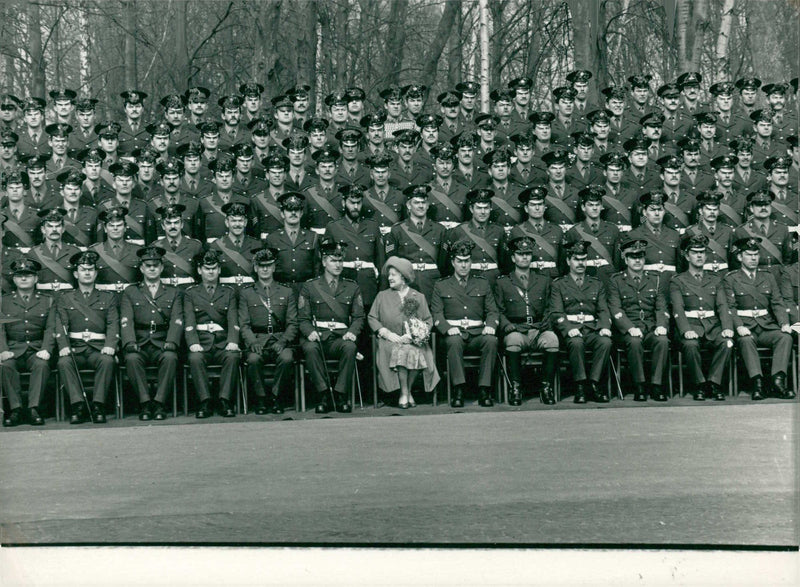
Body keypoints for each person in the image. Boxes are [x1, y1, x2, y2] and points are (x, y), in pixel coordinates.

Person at [298, 238, 365, 414]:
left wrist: (352, 332)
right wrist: (310, 332)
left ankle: (340, 394)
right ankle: (323, 395)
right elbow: (302, 319)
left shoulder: (352, 286)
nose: (338, 265)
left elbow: (358, 316)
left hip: (340, 338)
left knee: (350, 347)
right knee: (310, 348)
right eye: (333, 260)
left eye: (340, 260)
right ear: (323, 261)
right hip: (318, 337)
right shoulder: (310, 286)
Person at [430, 240, 499, 408]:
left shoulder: (482, 283)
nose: (463, 265)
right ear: (453, 262)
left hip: (477, 332)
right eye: (460, 261)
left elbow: (492, 311)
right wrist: (447, 329)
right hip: (455, 333)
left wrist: (491, 325)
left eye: (467, 261)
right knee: (453, 342)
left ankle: (484, 390)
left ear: (471, 262)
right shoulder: (441, 285)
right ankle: (458, 390)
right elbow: (436, 313)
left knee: (491, 341)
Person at [722, 237, 793, 400]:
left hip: (766, 326)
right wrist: (738, 326)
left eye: (756, 254)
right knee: (746, 340)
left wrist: (784, 323)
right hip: (746, 326)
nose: (753, 258)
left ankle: (778, 381)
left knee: (785, 337)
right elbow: (730, 307)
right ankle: (757, 382)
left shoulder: (768, 276)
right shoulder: (731, 278)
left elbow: (777, 302)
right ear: (740, 257)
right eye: (749, 255)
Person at [55, 251, 119, 424]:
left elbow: (113, 324)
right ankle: (78, 405)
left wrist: (110, 344)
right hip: (75, 347)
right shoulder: (65, 298)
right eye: (83, 270)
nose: (87, 273)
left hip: (98, 347)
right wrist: (63, 345)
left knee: (107, 360)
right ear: (76, 274)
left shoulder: (108, 297)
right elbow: (60, 325)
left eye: (91, 269)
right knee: (63, 362)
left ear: (96, 273)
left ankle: (98, 405)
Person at [120, 246, 183, 420]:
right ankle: (145, 404)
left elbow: (177, 320)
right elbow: (126, 320)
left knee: (170, 358)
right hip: (139, 342)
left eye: (156, 265)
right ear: (141, 268)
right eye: (148, 265)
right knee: (132, 359)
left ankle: (159, 403)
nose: (152, 268)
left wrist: (172, 341)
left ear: (162, 267)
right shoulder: (131, 292)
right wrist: (129, 342)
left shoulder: (174, 292)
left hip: (162, 342)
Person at [494, 236, 559, 405]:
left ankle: (546, 387)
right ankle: (516, 386)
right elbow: (498, 311)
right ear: (513, 257)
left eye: (528, 254)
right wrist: (508, 327)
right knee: (514, 340)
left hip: (539, 328)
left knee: (552, 339)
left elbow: (550, 307)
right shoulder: (503, 283)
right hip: (516, 329)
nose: (524, 257)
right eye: (520, 254)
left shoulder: (543, 280)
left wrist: (545, 324)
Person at [670, 234, 735, 401]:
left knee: (727, 342)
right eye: (694, 252)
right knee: (690, 345)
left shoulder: (715, 279)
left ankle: (714, 383)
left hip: (712, 326)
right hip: (690, 326)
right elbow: (678, 309)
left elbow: (722, 306)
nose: (699, 256)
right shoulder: (678, 281)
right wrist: (685, 330)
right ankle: (699, 384)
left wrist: (727, 327)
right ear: (686, 255)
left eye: (702, 252)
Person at [368, 256, 439, 408]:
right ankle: (406, 393)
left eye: (393, 274)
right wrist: (385, 332)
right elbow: (372, 317)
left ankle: (406, 392)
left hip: (413, 341)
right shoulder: (382, 296)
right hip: (389, 341)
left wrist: (413, 335)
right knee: (402, 351)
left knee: (412, 351)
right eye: (389, 275)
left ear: (404, 276)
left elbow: (428, 320)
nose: (389, 278)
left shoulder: (418, 297)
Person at [550, 239, 613, 403]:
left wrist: (604, 326)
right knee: (576, 343)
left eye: (583, 259)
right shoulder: (559, 284)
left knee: (605, 342)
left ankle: (594, 383)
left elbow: (603, 310)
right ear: (568, 261)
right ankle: (580, 385)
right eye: (576, 259)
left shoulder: (596, 284)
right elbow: (557, 312)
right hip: (571, 330)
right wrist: (568, 327)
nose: (580, 263)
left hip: (591, 329)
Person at [607, 239, 670, 401]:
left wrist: (661, 325)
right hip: (628, 329)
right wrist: (629, 327)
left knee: (662, 340)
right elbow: (615, 309)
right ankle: (639, 385)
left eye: (640, 257)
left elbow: (661, 307)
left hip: (650, 327)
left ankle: (656, 385)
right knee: (634, 342)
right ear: (626, 259)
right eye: (632, 257)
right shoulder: (616, 280)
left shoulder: (655, 279)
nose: (637, 260)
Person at [238, 248, 298, 415]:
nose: (264, 269)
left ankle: (276, 397)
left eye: (268, 265)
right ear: (255, 268)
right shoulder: (246, 293)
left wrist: (284, 341)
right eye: (261, 266)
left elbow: (293, 322)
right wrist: (252, 342)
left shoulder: (286, 291)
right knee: (253, 359)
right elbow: (244, 324)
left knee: (287, 357)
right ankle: (261, 398)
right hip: (258, 339)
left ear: (274, 267)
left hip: (280, 338)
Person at [183, 249, 241, 418]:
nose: (210, 272)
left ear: (219, 270)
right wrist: (193, 342)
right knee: (195, 358)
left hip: (223, 342)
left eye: (214, 268)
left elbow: (232, 320)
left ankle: (224, 400)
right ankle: (205, 401)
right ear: (199, 270)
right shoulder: (191, 293)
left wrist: (232, 341)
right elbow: (189, 322)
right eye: (206, 268)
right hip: (201, 342)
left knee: (232, 356)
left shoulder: (228, 292)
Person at [0, 259, 56, 426]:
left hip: (37, 348)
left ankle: (34, 408)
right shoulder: (4, 301)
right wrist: (2, 349)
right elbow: (0, 329)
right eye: (20, 276)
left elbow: (51, 327)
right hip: (13, 349)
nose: (24, 279)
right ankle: (15, 410)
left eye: (28, 275)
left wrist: (46, 349)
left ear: (36, 279)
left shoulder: (48, 300)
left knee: (42, 365)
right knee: (6, 365)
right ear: (14, 279)